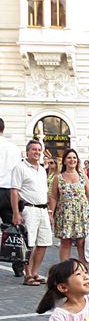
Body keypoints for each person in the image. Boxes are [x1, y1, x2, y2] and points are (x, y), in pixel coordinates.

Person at [10, 140, 52, 286]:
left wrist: (50, 211)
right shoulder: (20, 168)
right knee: (29, 244)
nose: (37, 152)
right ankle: (27, 275)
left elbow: (45, 191)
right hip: (29, 209)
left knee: (44, 242)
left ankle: (35, 272)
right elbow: (14, 191)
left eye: (39, 150)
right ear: (27, 151)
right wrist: (16, 213)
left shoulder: (41, 169)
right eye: (34, 149)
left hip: (43, 209)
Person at [48, 149, 89, 264]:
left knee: (82, 242)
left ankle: (83, 270)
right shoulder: (58, 178)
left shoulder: (83, 177)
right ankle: (64, 271)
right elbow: (54, 197)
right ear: (64, 161)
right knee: (66, 242)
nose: (72, 160)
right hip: (64, 214)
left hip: (82, 212)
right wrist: (51, 213)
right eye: (69, 158)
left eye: (74, 158)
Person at [0, 117, 25, 276]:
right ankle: (18, 266)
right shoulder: (14, 148)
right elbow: (19, 172)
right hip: (9, 191)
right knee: (14, 229)